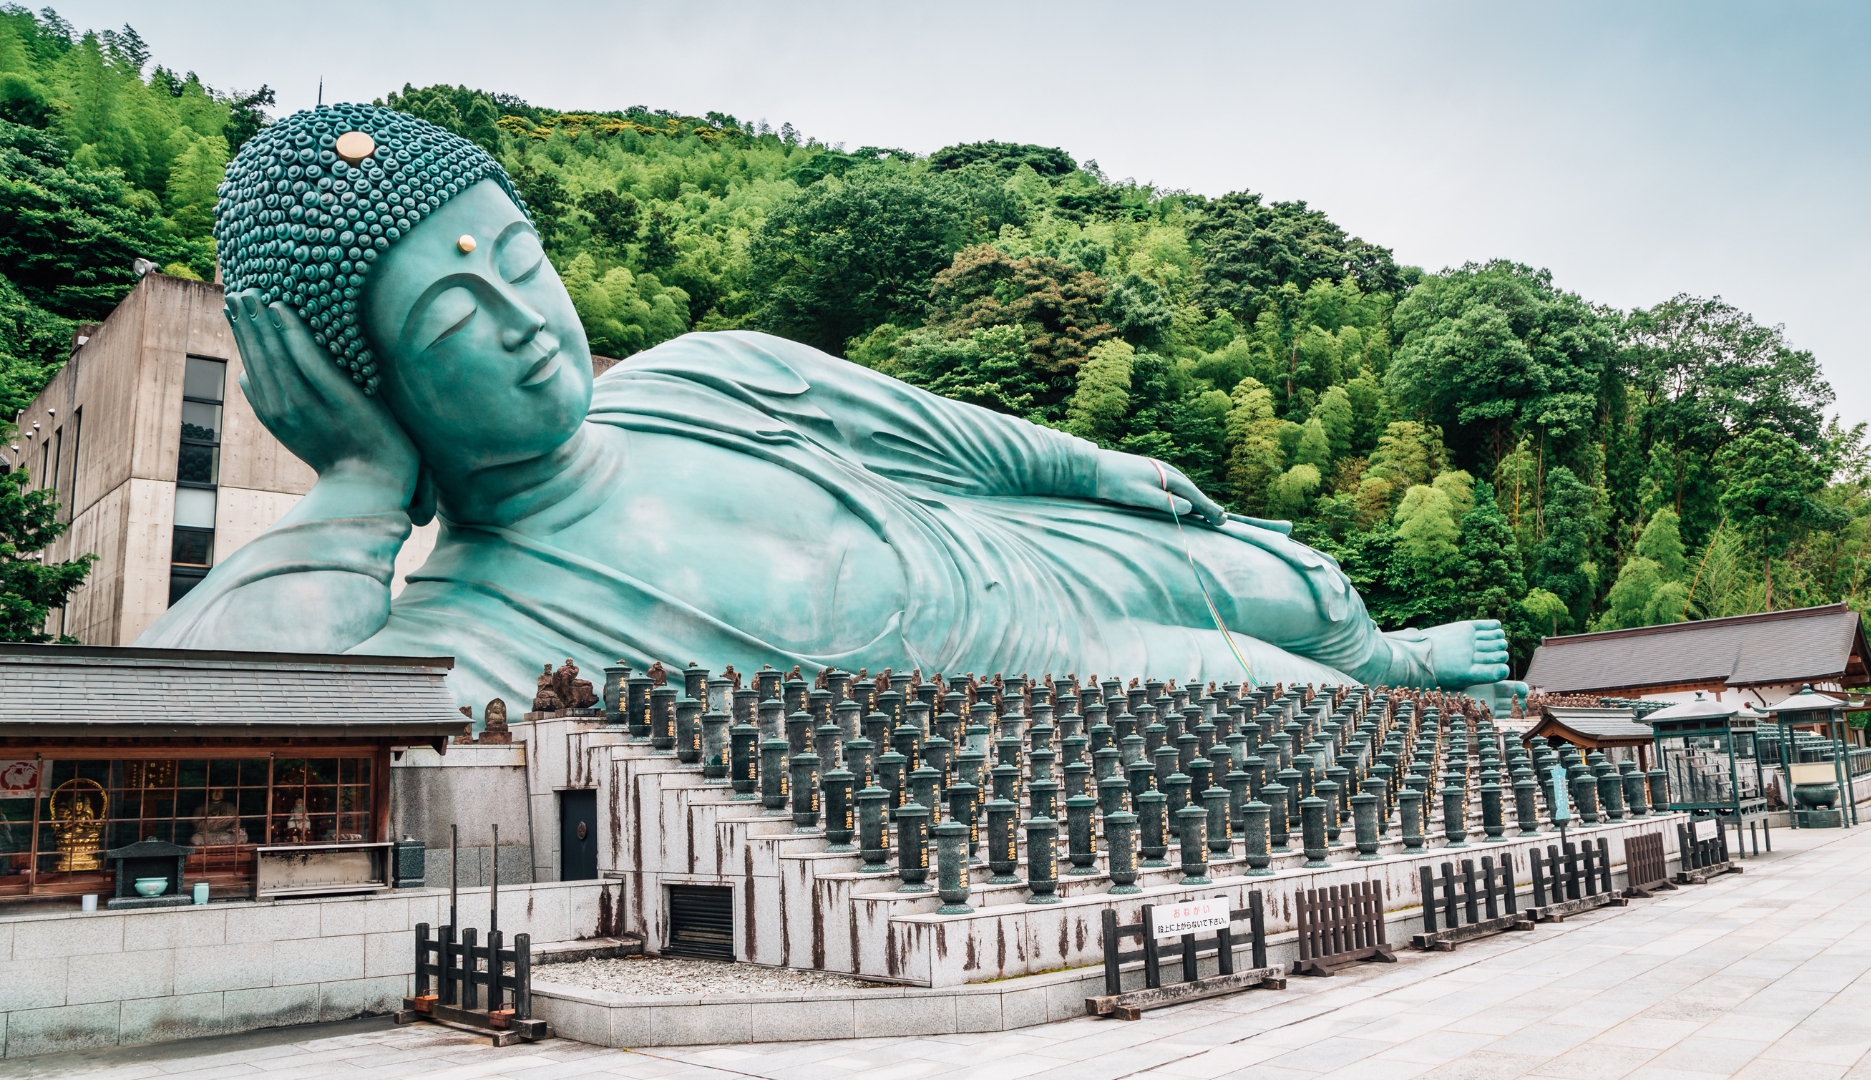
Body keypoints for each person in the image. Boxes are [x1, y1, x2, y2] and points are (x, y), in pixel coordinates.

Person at [138, 104, 1521, 715]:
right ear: (365, 389)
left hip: (1028, 547)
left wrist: (1098, 465)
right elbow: (217, 731)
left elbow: (940, 433)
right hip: (1047, 689)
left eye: (519, 261)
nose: (521, 324)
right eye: (451, 324)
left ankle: (1389, 651)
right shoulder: (467, 626)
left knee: (1298, 581)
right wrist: (355, 498)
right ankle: (1396, 696)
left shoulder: (695, 376)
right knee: (1301, 710)